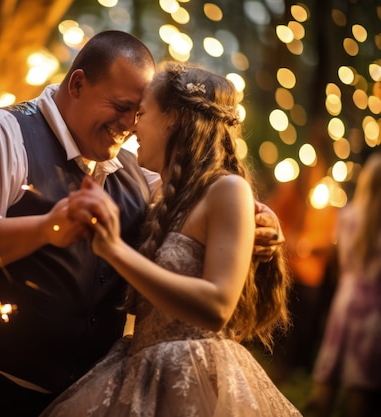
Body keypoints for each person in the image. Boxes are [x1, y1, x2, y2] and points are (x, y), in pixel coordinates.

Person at [0, 31, 284, 416]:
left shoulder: (139, 176)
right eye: (119, 105)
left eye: (139, 111)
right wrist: (46, 228)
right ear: (77, 84)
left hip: (66, 398)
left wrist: (260, 223)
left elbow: (196, 208)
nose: (129, 123)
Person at [40, 62, 301, 416]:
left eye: (142, 113)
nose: (132, 128)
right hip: (140, 370)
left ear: (174, 119)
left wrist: (115, 250)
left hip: (194, 376)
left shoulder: (226, 189)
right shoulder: (164, 196)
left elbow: (217, 307)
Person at [305, 153, 381, 417]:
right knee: (361, 384)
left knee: (330, 373)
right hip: (374, 309)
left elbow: (337, 263)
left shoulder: (347, 216)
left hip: (345, 299)